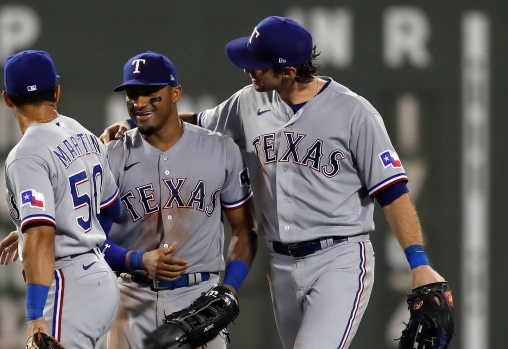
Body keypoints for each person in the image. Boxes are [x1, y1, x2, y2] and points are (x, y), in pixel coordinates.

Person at [101, 17, 448, 349]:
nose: (247, 68)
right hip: (279, 263)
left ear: (289, 72)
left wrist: (418, 263)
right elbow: (193, 123)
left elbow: (393, 191)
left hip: (338, 258)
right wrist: (133, 127)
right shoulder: (248, 101)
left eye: (258, 64)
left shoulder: (355, 113)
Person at [101, 51, 257, 349]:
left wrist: (229, 289)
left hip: (199, 300)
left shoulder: (220, 149)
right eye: (132, 95)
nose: (140, 103)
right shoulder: (111, 156)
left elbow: (244, 231)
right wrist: (136, 260)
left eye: (150, 93)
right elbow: (91, 239)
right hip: (132, 300)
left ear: (175, 93)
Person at [0, 50, 121, 348]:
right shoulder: (83, 134)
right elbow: (110, 207)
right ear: (56, 91)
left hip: (67, 285)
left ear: (7, 99)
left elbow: (40, 235)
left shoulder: (26, 154)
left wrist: (34, 316)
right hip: (100, 281)